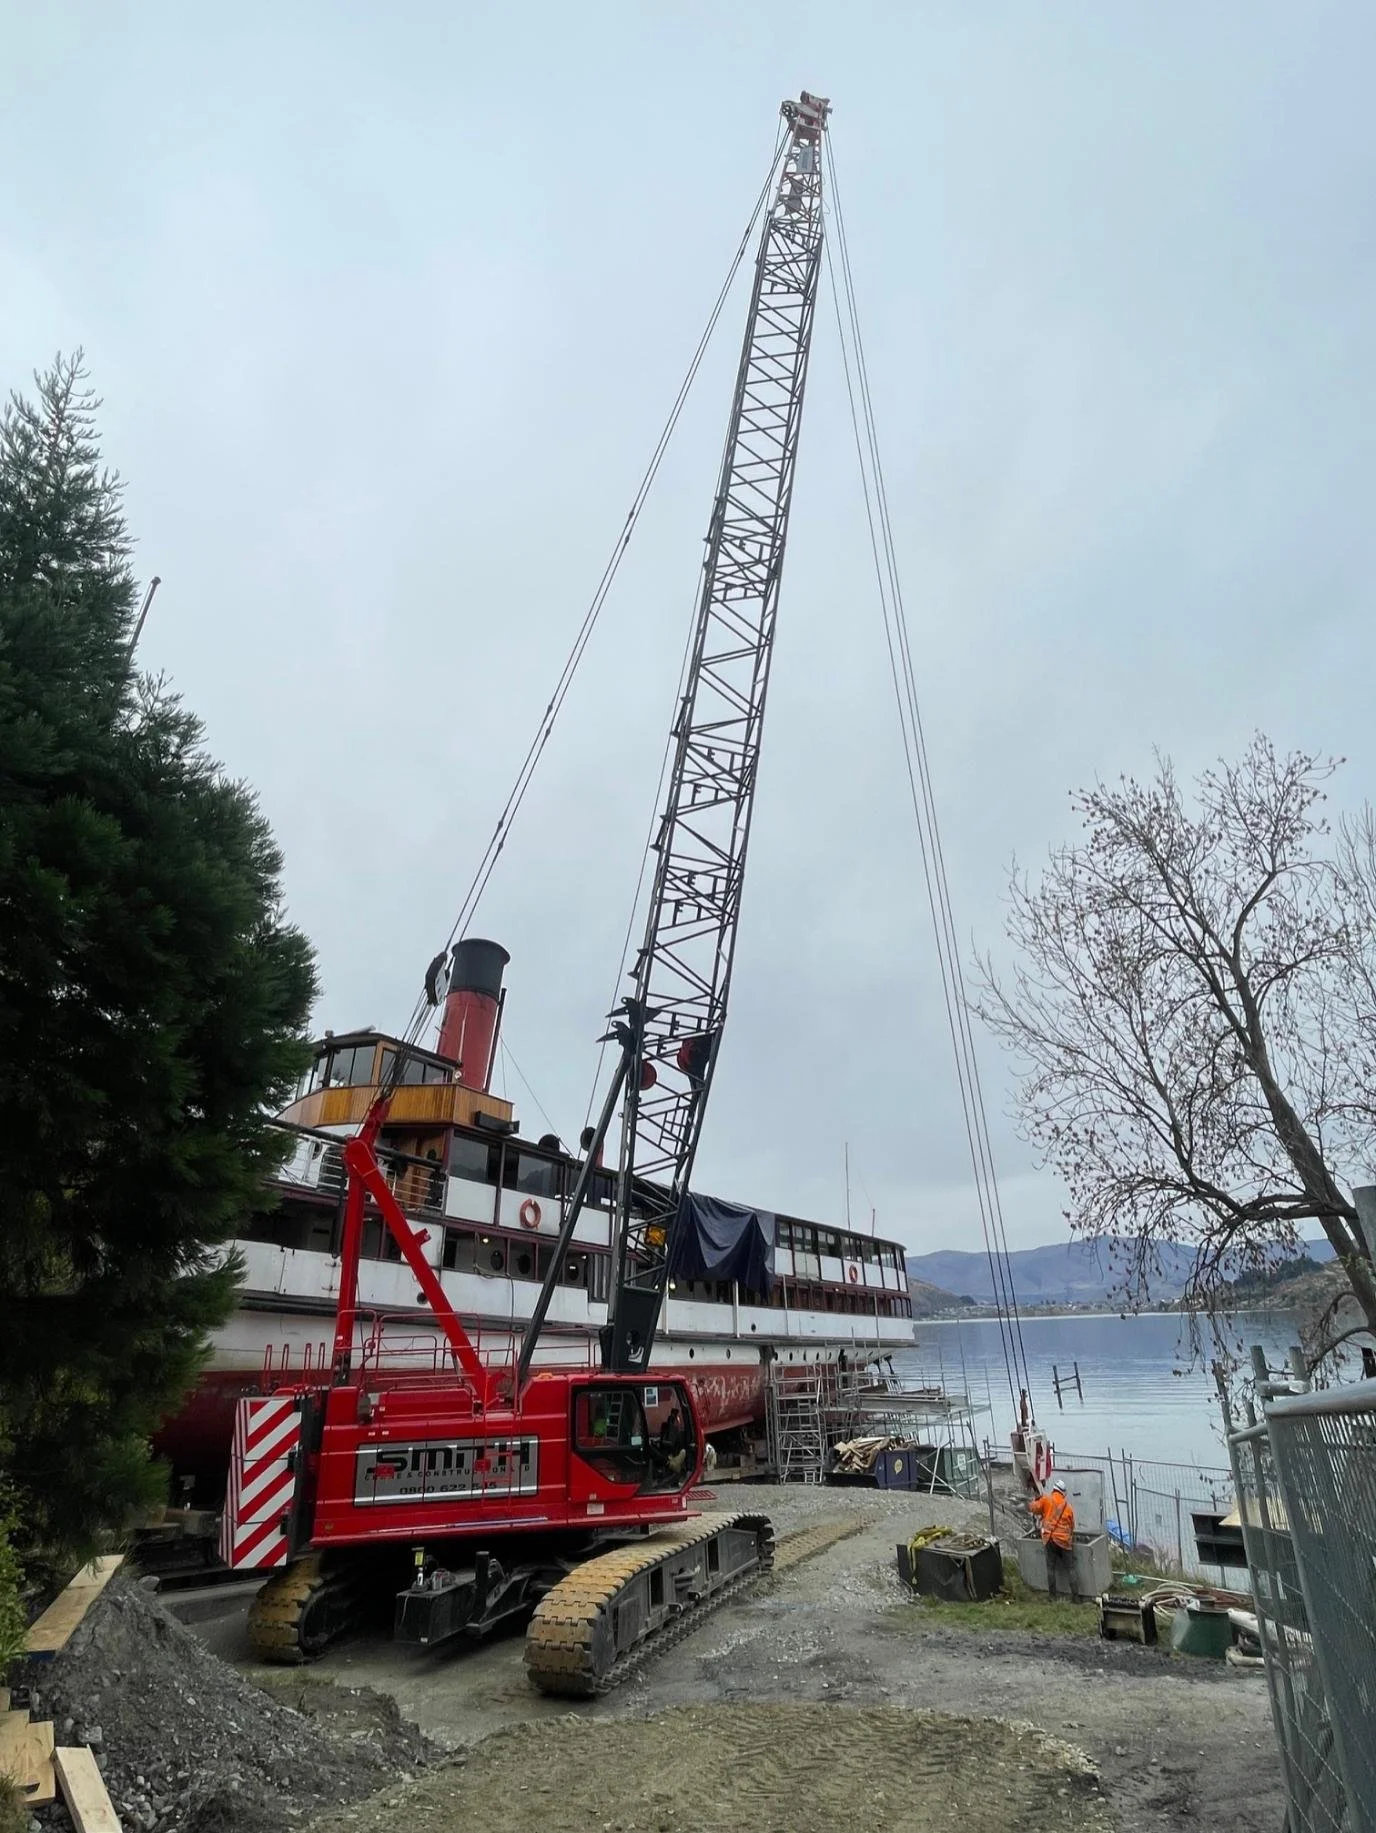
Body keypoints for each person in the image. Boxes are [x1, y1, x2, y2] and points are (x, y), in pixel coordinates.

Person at [1029, 1478, 1078, 1601]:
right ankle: (1075, 1598)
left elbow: (1034, 1509)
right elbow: (1072, 1526)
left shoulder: (1046, 1499)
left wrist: (1035, 1499)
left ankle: (1052, 1597)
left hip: (1049, 1538)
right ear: (1063, 1492)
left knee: (1050, 1568)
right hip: (1064, 1541)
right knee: (1071, 1568)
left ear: (1054, 1489)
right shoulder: (1068, 1507)